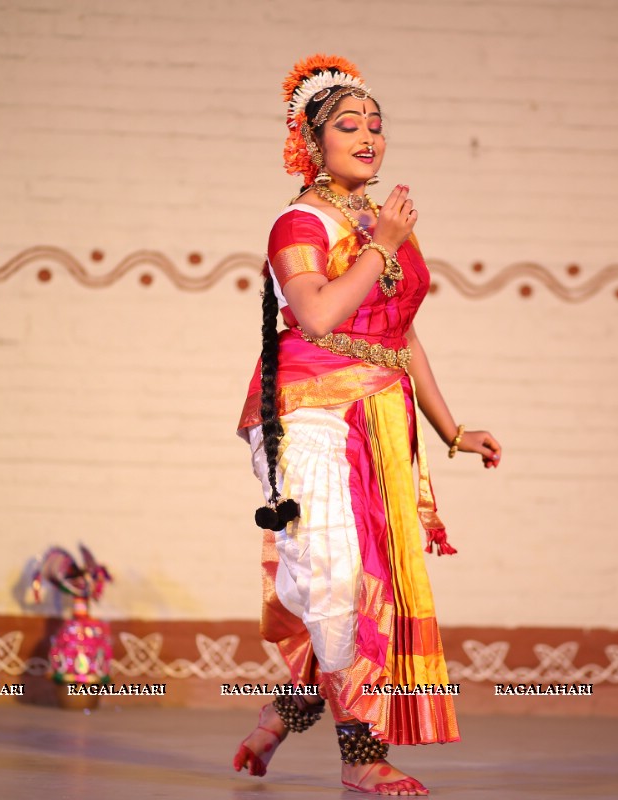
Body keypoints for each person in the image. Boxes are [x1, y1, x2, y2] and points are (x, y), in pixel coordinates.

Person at [233, 54, 502, 797]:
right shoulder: (300, 220)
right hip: (306, 409)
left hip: (378, 412)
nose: (369, 137)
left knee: (354, 580)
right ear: (310, 144)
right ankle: (360, 758)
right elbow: (319, 313)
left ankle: (281, 716)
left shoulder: (382, 225)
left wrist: (450, 429)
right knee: (336, 576)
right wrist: (382, 241)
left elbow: (401, 333)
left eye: (377, 126)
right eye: (348, 125)